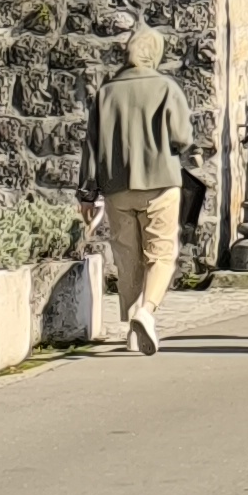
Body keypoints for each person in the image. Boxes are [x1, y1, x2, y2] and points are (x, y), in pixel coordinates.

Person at [84, 27, 193, 356]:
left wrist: (87, 193)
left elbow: (91, 147)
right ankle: (146, 311)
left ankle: (132, 332)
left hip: (116, 187)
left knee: (128, 257)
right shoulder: (166, 88)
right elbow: (182, 138)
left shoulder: (106, 92)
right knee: (160, 254)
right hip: (159, 183)